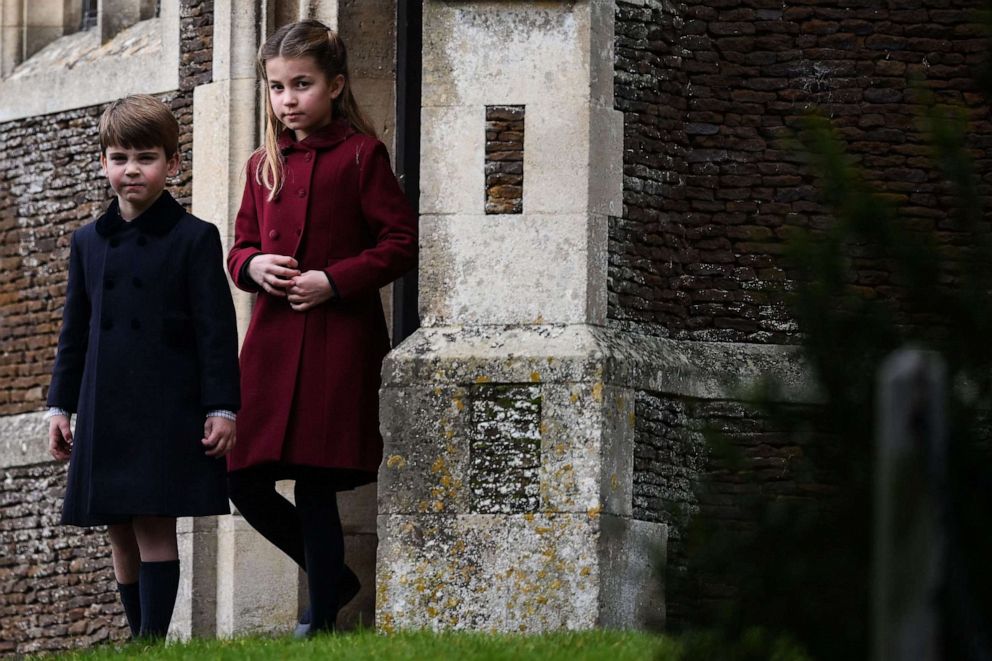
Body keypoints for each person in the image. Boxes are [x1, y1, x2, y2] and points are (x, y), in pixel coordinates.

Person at [225, 19, 417, 636]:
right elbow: (239, 249)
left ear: (334, 85)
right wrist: (253, 265)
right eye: (277, 88)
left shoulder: (363, 154)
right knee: (243, 479)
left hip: (338, 342)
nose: (288, 100)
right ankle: (332, 578)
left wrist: (333, 280)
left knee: (314, 482)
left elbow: (401, 242)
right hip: (275, 346)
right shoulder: (263, 164)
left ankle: (322, 618)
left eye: (301, 85)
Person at [46, 95, 241, 640]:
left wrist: (222, 407)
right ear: (104, 162)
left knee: (155, 524)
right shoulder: (87, 242)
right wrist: (61, 407)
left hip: (167, 407)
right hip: (105, 406)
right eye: (120, 157)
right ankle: (137, 639)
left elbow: (216, 333)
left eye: (146, 157)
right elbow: (74, 332)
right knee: (118, 529)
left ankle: (153, 641)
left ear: (172, 164)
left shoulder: (195, 237)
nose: (132, 169)